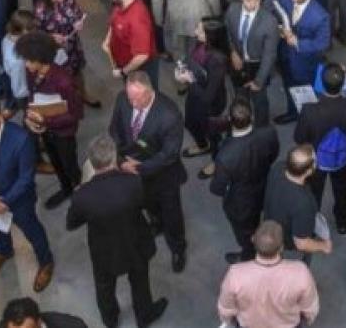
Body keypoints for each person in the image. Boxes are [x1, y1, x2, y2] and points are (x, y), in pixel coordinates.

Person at [66, 134, 167, 328]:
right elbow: (147, 203)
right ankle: (144, 316)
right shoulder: (133, 183)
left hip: (104, 250)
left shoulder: (82, 195)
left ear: (92, 163)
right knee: (140, 282)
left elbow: (72, 223)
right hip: (135, 242)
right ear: (114, 158)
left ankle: (110, 320)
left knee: (104, 287)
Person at [109, 72, 188, 273]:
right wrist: (120, 159)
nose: (132, 103)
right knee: (147, 203)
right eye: (130, 97)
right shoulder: (123, 99)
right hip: (132, 168)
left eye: (137, 99)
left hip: (163, 175)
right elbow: (115, 130)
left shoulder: (169, 115)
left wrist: (140, 167)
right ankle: (156, 223)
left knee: (172, 212)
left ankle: (178, 246)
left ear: (149, 92)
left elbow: (168, 155)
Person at [0, 96, 55, 292]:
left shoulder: (21, 139)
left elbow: (26, 178)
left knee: (32, 230)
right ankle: (3, 251)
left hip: (19, 201)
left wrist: (5, 201)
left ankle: (46, 261)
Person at [294, 63, 346, 235]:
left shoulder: (309, 110)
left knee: (313, 193)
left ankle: (312, 224)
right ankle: (342, 223)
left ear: (321, 83)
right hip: (344, 159)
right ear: (343, 84)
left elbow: (299, 138)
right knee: (342, 192)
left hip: (316, 161)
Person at [17, 30, 82, 211]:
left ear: (41, 58)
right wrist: (29, 116)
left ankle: (78, 194)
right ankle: (65, 188)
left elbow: (75, 114)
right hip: (46, 130)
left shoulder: (63, 81)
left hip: (64, 133)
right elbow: (32, 96)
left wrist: (46, 121)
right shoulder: (31, 72)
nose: (25, 63)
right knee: (55, 160)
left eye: (29, 60)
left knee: (69, 164)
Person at [211, 98, 280, 263]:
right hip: (265, 187)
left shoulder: (225, 155)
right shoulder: (269, 133)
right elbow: (274, 154)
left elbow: (217, 188)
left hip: (241, 202)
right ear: (252, 117)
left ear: (230, 119)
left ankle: (249, 256)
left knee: (245, 233)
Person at [217, 221, 319, 328]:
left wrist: (230, 322)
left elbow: (226, 310)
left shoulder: (235, 274)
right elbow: (310, 309)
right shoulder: (300, 272)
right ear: (281, 247)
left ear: (253, 240)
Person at [274, 0, 331, 124]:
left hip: (304, 64)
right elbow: (278, 15)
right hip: (285, 55)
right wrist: (280, 28)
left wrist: (298, 43)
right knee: (288, 85)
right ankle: (292, 112)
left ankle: (307, 118)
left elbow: (322, 43)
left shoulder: (320, 16)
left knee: (305, 91)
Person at [225, 0, 278, 128]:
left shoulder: (270, 21)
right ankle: (243, 124)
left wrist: (259, 81)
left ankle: (262, 127)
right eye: (249, 0)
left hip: (258, 65)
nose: (253, 4)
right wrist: (233, 52)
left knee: (259, 100)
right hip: (238, 62)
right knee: (240, 96)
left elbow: (269, 55)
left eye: (257, 0)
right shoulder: (232, 10)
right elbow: (228, 33)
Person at [263, 144, 332, 258]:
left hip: (271, 228)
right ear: (308, 171)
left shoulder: (277, 168)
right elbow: (301, 243)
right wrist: (324, 246)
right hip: (288, 246)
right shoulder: (303, 204)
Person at [180, 17, 228, 174]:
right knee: (190, 123)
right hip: (195, 95)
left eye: (199, 30)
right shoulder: (201, 44)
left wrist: (189, 80)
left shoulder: (218, 60)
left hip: (211, 105)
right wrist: (184, 69)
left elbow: (209, 96)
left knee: (212, 134)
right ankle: (202, 146)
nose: (195, 32)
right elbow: (191, 60)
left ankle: (217, 160)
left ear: (211, 36)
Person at [34, 0, 93, 105]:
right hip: (54, 51)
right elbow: (36, 34)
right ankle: (67, 100)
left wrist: (78, 22)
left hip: (72, 45)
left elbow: (77, 13)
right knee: (61, 77)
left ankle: (83, 94)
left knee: (77, 72)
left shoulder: (68, 0)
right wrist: (51, 37)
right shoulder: (41, 10)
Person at [103, 0, 159, 89]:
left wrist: (124, 72)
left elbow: (142, 55)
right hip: (123, 61)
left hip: (138, 68)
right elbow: (114, 21)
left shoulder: (137, 20)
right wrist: (108, 38)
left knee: (140, 94)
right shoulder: (121, 4)